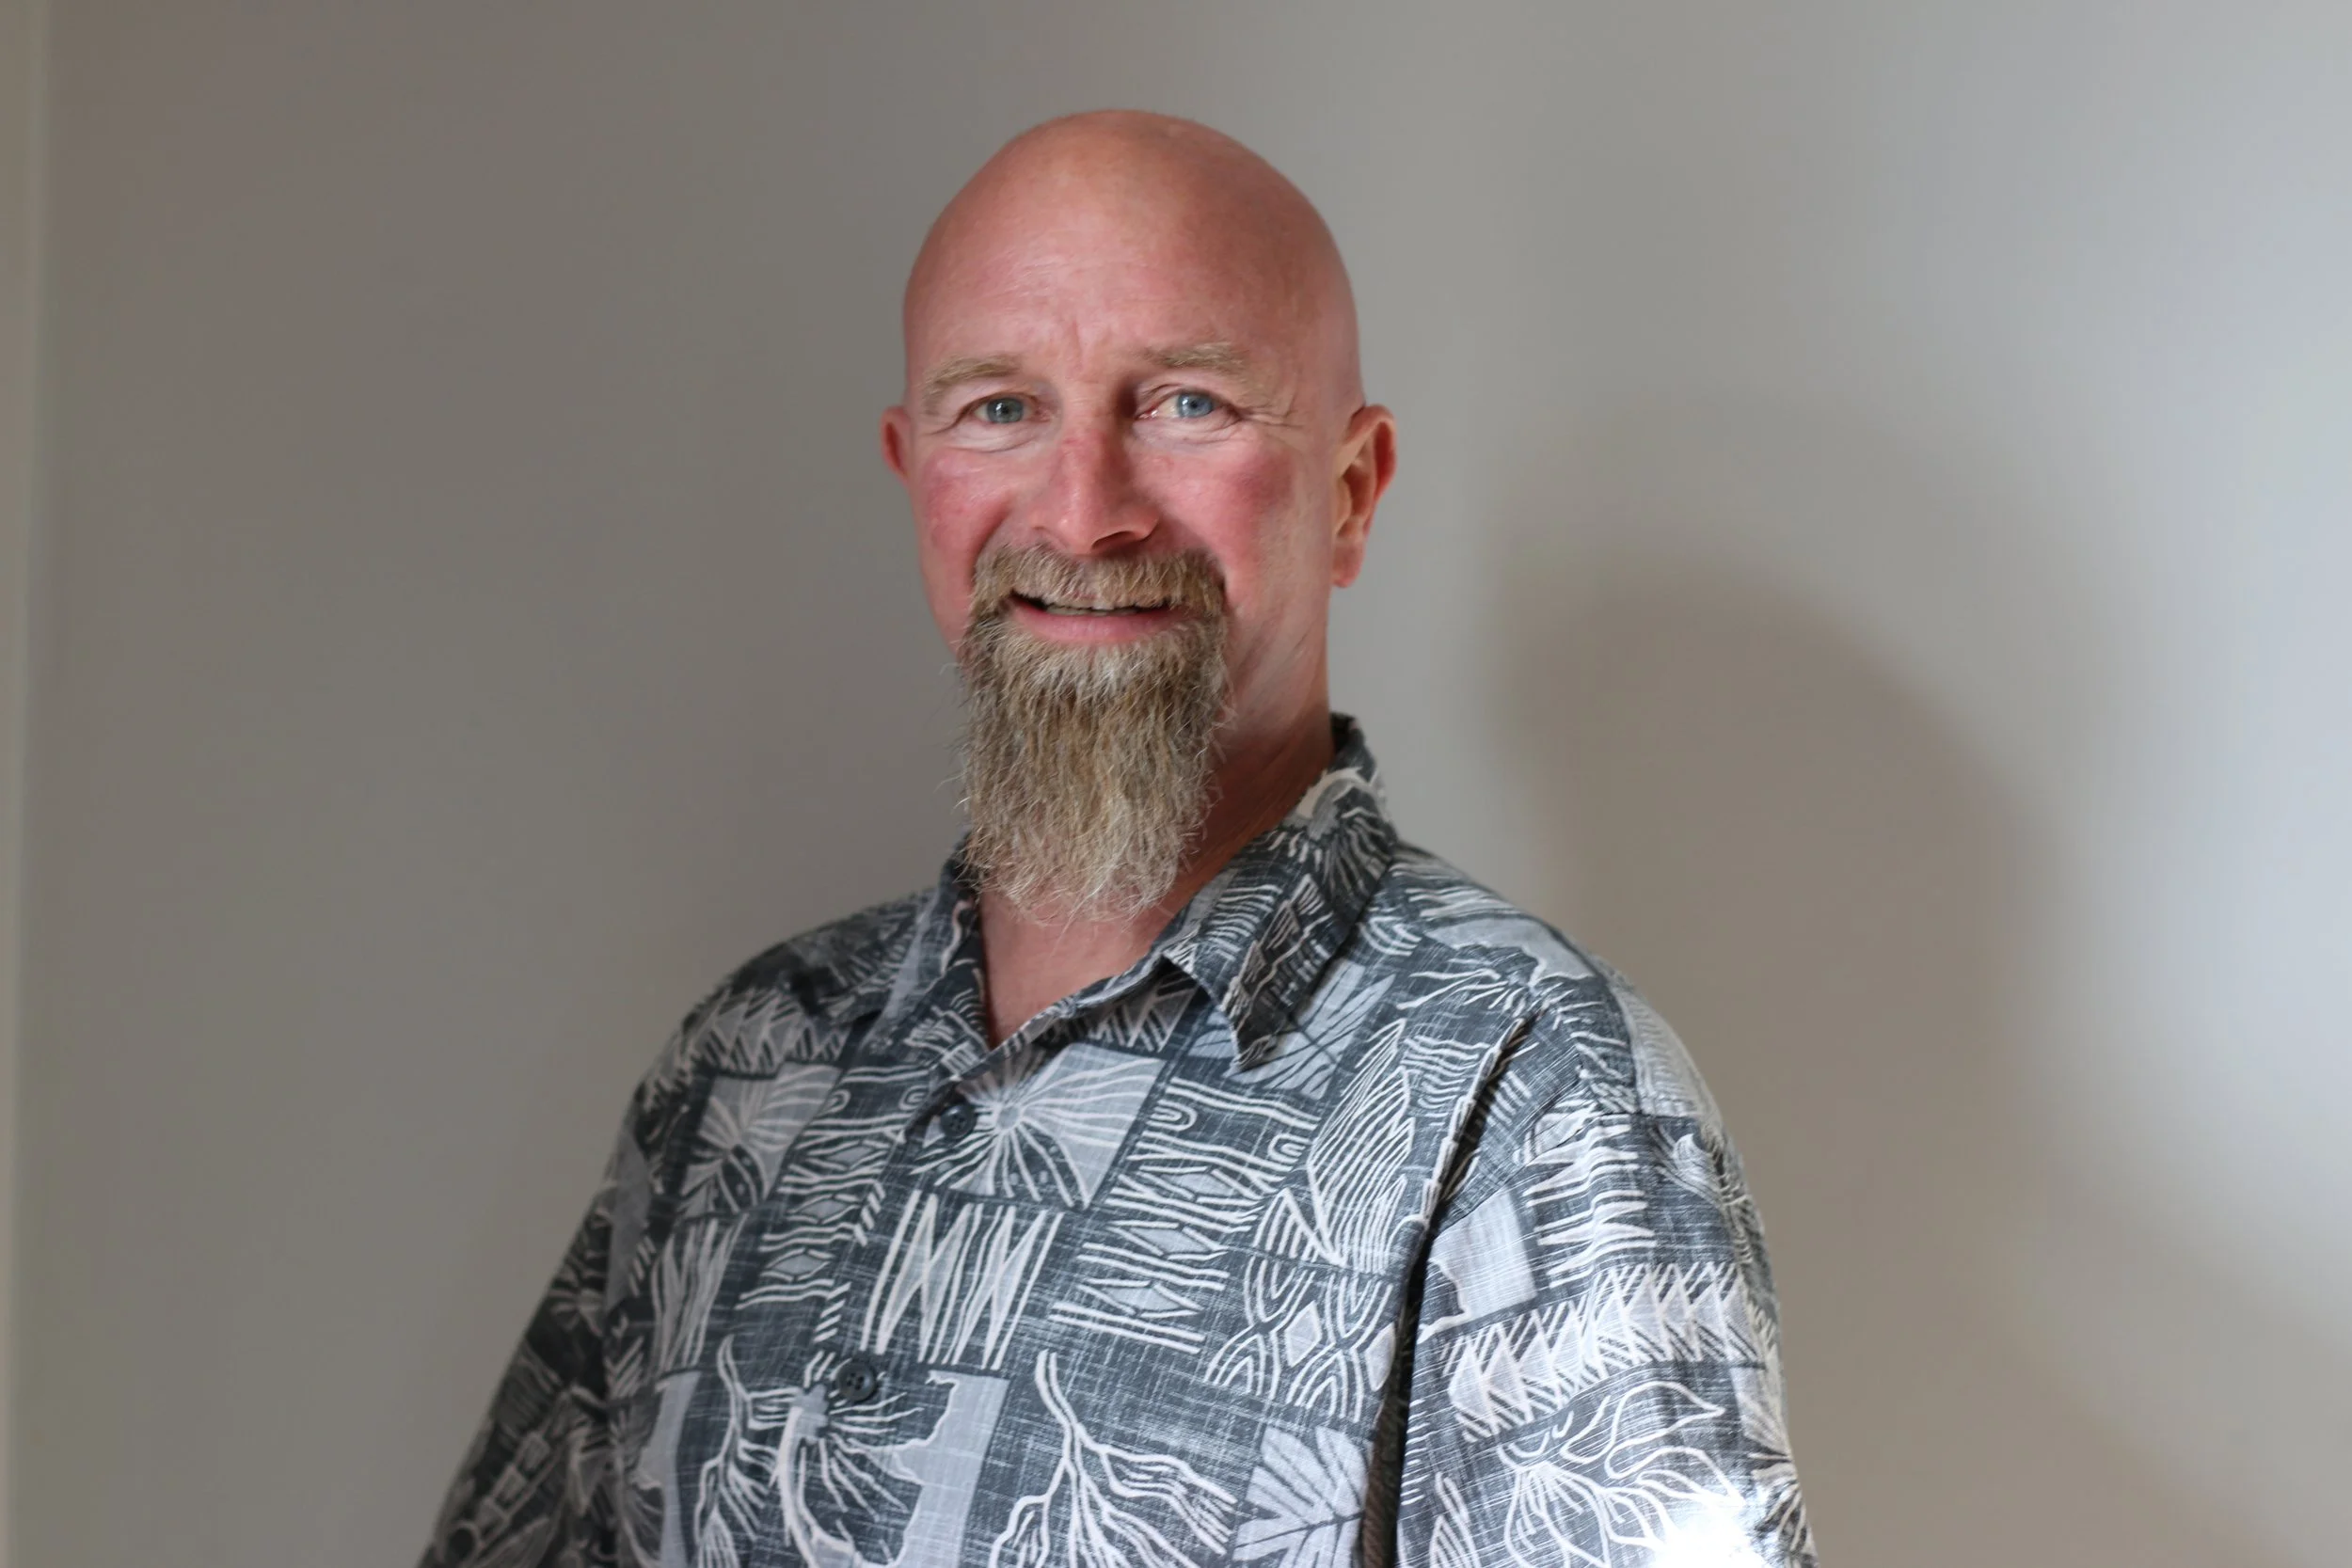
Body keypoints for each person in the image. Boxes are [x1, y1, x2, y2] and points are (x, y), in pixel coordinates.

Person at [422, 110, 1815, 1568]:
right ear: (913, 469)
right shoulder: (744, 1072)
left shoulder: (1535, 1099)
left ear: (1350, 490)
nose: (1084, 513)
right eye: (1001, 408)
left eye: (1189, 403)